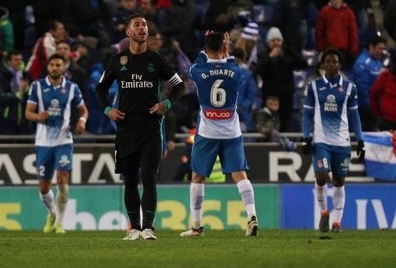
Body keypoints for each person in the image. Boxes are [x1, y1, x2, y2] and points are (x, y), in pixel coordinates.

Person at [95, 13, 184, 241]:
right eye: (137, 25)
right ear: (128, 32)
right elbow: (100, 90)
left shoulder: (157, 60)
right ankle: (133, 228)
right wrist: (108, 111)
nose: (142, 28)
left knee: (148, 177)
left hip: (151, 128)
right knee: (130, 179)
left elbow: (179, 86)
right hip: (125, 128)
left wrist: (166, 103)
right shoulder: (117, 61)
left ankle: (148, 227)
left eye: (145, 25)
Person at [180, 31, 258, 237]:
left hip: (207, 133)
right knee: (240, 174)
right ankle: (251, 217)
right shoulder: (237, 69)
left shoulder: (198, 69)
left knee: (198, 176)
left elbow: (195, 64)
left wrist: (209, 46)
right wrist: (228, 49)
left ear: (205, 48)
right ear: (224, 47)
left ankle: (196, 227)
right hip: (232, 132)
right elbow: (234, 66)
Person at [302, 49, 364, 233]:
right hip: (321, 141)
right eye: (327, 61)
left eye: (334, 61)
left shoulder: (350, 87)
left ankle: (337, 222)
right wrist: (306, 137)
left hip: (343, 142)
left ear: (340, 65)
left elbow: (355, 116)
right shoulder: (314, 86)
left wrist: (360, 140)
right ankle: (324, 213)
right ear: (322, 65)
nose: (331, 64)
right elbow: (306, 114)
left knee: (339, 181)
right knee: (321, 176)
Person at [25, 53, 88, 234]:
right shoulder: (37, 86)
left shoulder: (72, 88)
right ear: (48, 67)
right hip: (43, 142)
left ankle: (60, 223)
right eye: (52, 64)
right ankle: (52, 213)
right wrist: (38, 116)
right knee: (44, 187)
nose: (55, 67)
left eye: (58, 65)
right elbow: (28, 112)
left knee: (62, 180)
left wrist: (82, 121)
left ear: (64, 67)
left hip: (64, 139)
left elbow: (84, 110)